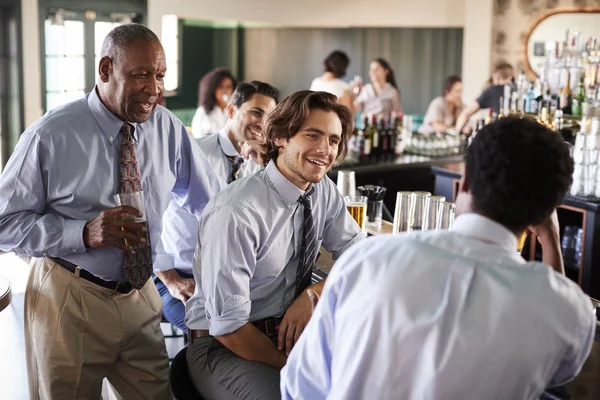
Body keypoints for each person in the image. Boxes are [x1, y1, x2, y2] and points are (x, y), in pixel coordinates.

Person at [281, 116, 595, 400]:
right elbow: (557, 374)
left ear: (467, 182)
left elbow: (300, 384)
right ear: (545, 212)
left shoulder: (369, 259)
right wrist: (550, 238)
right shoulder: (565, 308)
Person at [0, 24, 221, 399]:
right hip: (69, 297)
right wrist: (82, 232)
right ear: (105, 70)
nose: (154, 88)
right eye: (140, 75)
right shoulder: (50, 136)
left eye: (160, 75)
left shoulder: (166, 127)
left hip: (141, 294)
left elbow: (212, 204)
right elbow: (5, 224)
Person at [185, 90, 365, 400]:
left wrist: (312, 293)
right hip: (225, 347)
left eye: (334, 140)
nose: (325, 150)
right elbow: (229, 327)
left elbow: (359, 255)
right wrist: (293, 367)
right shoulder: (237, 211)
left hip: (291, 335)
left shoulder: (323, 192)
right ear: (281, 136)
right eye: (313, 135)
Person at [155, 80, 280, 332]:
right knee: (214, 336)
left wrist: (270, 166)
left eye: (269, 117)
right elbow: (151, 214)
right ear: (231, 111)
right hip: (183, 276)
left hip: (241, 281)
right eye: (256, 112)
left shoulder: (268, 166)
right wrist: (171, 280)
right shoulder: (192, 153)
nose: (262, 123)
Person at [455, 61, 514, 133]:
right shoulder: (520, 91)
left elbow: (465, 114)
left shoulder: (494, 90)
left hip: (501, 136)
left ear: (496, 78)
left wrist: (457, 133)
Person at [191, 67, 237, 138]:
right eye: (220, 87)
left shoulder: (236, 110)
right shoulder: (203, 111)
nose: (225, 90)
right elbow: (197, 135)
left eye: (228, 87)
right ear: (213, 89)